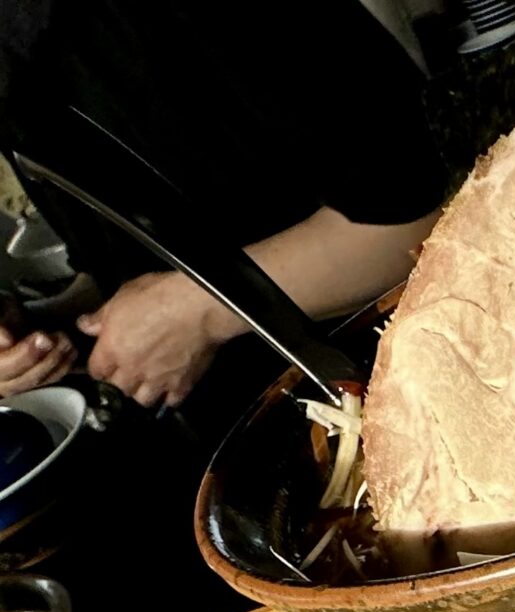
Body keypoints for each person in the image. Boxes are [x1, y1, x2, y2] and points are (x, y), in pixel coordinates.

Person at [0, 0, 448, 409]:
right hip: (264, 415)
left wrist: (199, 310)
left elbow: (423, 218)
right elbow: (130, 255)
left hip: (411, 371)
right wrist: (42, 334)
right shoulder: (14, 64)